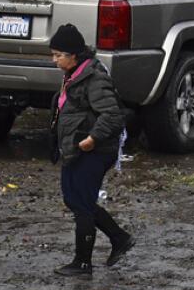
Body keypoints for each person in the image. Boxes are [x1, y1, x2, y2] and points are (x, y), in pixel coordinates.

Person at [48, 23, 134, 276]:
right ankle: (119, 238)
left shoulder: (94, 78)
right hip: (75, 149)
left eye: (58, 55)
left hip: (94, 150)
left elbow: (113, 115)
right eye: (53, 55)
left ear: (73, 55)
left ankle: (83, 263)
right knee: (72, 198)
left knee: (82, 203)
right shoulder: (73, 75)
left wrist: (92, 139)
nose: (54, 60)